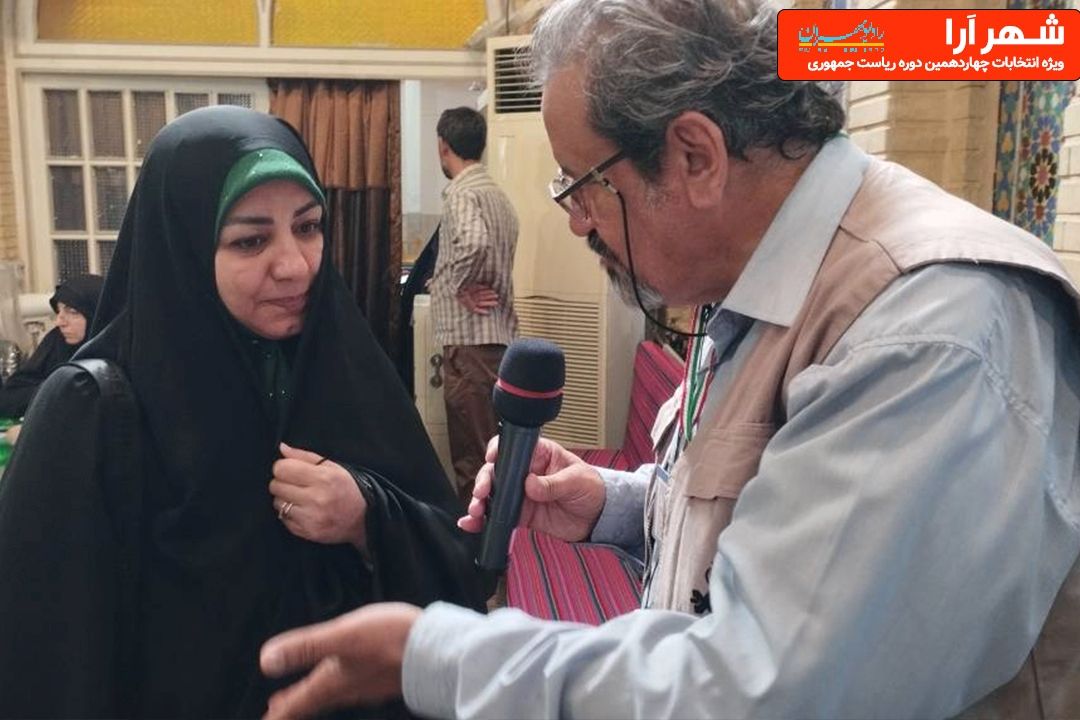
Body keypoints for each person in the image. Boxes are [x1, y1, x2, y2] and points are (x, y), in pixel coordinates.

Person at [259, 1, 1080, 717]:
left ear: (694, 155)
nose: (578, 222)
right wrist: (613, 504)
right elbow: (779, 503)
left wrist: (440, 658)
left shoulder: (925, 330)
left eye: (582, 183)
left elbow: (763, 689)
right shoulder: (770, 279)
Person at [0, 105, 489, 717]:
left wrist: (367, 516)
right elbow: (44, 656)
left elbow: (459, 568)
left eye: (308, 227)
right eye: (250, 240)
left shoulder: (339, 368)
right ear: (182, 246)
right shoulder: (90, 408)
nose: (294, 266)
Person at [430, 106, 519, 502]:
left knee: (474, 455)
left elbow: (474, 242)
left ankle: (480, 536)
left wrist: (457, 287)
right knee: (494, 447)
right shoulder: (498, 197)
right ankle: (497, 530)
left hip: (470, 344)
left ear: (443, 146)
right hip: (497, 341)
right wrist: (447, 280)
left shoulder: (461, 193)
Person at [0, 273, 103, 419]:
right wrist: (57, 392)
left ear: (96, 314)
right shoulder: (57, 340)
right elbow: (10, 397)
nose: (59, 322)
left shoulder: (117, 354)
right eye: (59, 311)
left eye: (72, 312)